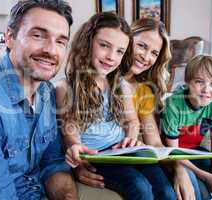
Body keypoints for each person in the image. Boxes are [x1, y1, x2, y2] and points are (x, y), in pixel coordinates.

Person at [73, 17, 201, 200]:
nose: (146, 57)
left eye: (154, 53)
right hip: (104, 154)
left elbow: (154, 141)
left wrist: (179, 168)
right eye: (141, 46)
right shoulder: (101, 75)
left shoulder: (144, 89)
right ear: (127, 40)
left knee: (183, 184)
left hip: (132, 151)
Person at [56, 12, 176, 200]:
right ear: (88, 43)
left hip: (124, 151)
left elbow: (132, 121)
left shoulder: (121, 85)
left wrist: (131, 139)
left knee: (166, 190)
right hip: (98, 157)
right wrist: (75, 148)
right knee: (140, 187)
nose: (111, 57)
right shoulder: (66, 87)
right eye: (104, 46)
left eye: (120, 51)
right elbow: (70, 130)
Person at [0, 1, 79, 199]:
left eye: (60, 41)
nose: (51, 50)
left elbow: (53, 162)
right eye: (38, 35)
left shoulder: (47, 92)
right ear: (10, 38)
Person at [161, 55, 212, 199]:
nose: (206, 89)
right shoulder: (173, 104)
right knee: (203, 191)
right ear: (187, 82)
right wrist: (205, 176)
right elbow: (173, 151)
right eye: (199, 82)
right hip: (172, 157)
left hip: (195, 152)